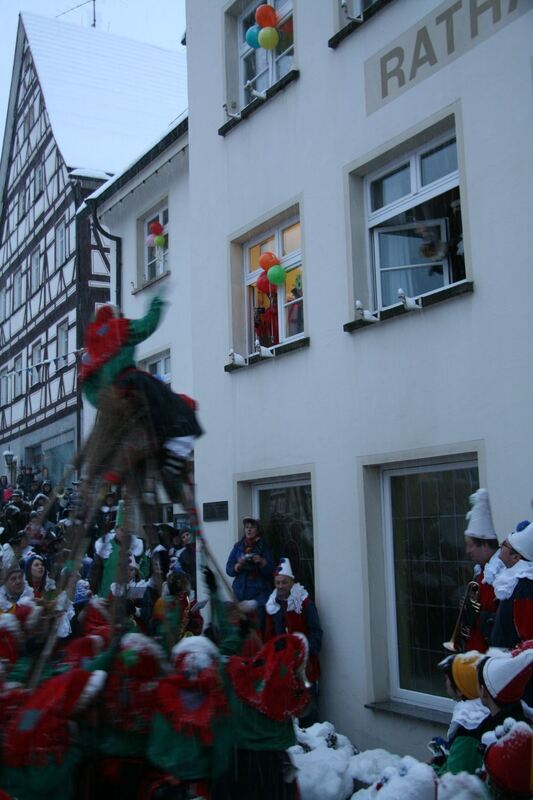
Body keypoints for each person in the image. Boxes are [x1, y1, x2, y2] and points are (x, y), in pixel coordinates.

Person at [265, 557, 322, 724]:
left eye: (284, 582)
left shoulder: (304, 603)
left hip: (305, 666)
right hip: (281, 667)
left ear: (291, 582)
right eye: (277, 583)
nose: (280, 586)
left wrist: (304, 651)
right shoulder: (272, 605)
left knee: (307, 709)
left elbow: (316, 633)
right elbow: (268, 635)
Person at [461, 488, 501, 652]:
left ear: (484, 545)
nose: (467, 551)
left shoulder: (501, 574)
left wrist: (476, 614)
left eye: (471, 545)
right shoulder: (481, 572)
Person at [226, 517, 275, 633]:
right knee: (241, 630)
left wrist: (262, 562)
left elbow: (272, 570)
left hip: (259, 596)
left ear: (258, 530)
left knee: (258, 630)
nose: (249, 530)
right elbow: (229, 569)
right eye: (247, 527)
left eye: (252, 527)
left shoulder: (265, 547)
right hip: (240, 594)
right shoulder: (238, 547)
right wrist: (237, 566)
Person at [490, 520, 533, 648]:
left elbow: (526, 634)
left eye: (505, 544)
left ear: (516, 557)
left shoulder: (525, 587)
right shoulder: (515, 580)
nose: (500, 544)